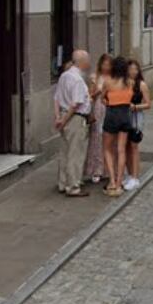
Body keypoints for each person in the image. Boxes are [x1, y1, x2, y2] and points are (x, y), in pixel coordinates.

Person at [53, 50, 93, 196]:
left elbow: (57, 98)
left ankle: (63, 183)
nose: (89, 63)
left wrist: (58, 117)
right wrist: (64, 120)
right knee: (75, 153)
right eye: (87, 60)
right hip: (75, 118)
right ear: (82, 62)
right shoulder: (77, 79)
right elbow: (76, 103)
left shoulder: (64, 76)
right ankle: (73, 186)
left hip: (65, 115)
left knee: (64, 152)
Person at [98, 57, 135, 196]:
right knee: (121, 150)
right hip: (125, 115)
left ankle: (112, 181)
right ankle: (119, 183)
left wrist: (107, 102)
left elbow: (102, 98)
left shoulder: (108, 82)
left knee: (107, 148)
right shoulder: (130, 82)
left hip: (112, 114)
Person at [84, 52, 112, 185]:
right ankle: (96, 169)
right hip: (98, 108)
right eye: (104, 64)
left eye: (109, 64)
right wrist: (98, 92)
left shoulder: (114, 78)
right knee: (97, 139)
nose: (106, 67)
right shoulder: (95, 77)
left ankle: (108, 169)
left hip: (110, 108)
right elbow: (90, 96)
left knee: (110, 139)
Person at [124, 59, 151, 191]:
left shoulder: (141, 85)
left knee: (134, 146)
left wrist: (135, 107)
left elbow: (148, 104)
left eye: (135, 69)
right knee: (126, 146)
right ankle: (129, 174)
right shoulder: (124, 83)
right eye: (130, 69)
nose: (133, 72)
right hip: (124, 117)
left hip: (136, 118)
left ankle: (135, 177)